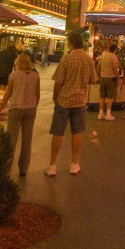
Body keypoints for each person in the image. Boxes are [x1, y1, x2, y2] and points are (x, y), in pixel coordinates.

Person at [46, 30, 98, 176]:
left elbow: (58, 81)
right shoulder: (89, 60)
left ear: (71, 44)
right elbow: (94, 80)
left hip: (64, 100)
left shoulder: (66, 59)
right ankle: (74, 163)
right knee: (77, 132)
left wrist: (55, 96)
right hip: (80, 100)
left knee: (58, 132)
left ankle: (52, 165)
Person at [0, 54, 40, 177]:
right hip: (30, 109)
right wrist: (34, 106)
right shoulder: (36, 76)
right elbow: (38, 95)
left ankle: (6, 170)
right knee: (27, 141)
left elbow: (7, 94)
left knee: (11, 140)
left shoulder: (14, 75)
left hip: (16, 109)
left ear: (17, 63)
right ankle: (23, 169)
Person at [96, 44, 120, 121]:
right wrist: (118, 78)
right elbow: (115, 68)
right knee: (109, 97)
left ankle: (100, 114)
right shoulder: (114, 56)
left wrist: (98, 76)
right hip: (110, 79)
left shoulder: (103, 56)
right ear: (115, 50)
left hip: (102, 78)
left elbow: (98, 67)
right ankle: (108, 114)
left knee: (102, 97)